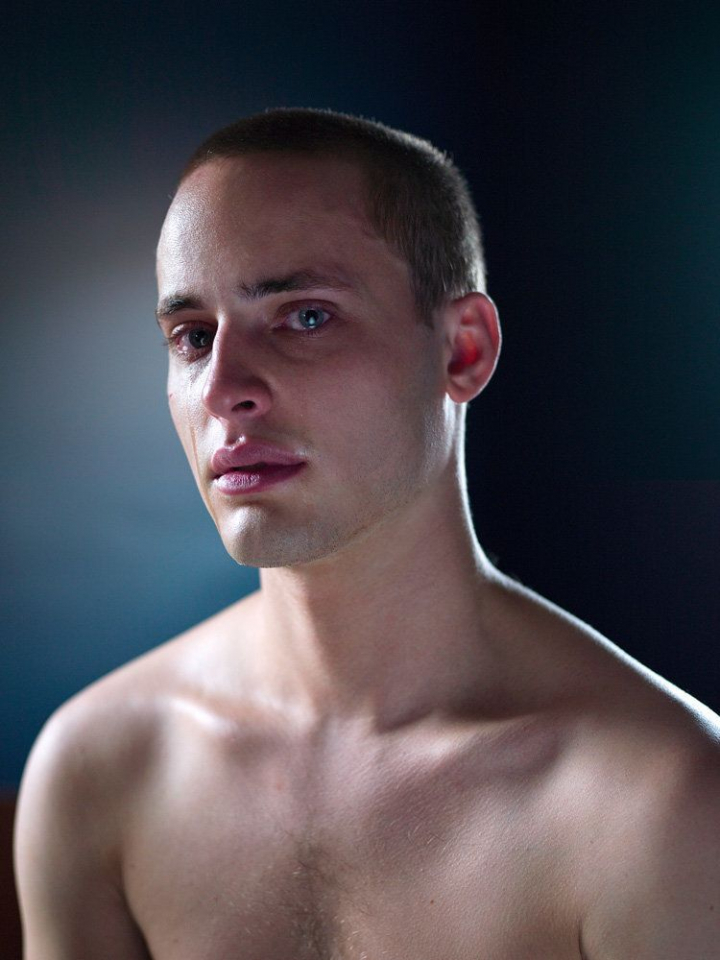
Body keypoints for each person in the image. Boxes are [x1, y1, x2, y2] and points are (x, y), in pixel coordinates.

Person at [14, 107, 720, 960]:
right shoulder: (101, 770)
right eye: (192, 336)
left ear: (462, 351)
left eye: (304, 317)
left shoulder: (661, 803)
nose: (222, 389)